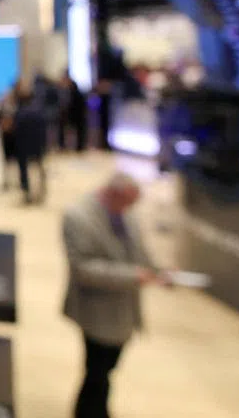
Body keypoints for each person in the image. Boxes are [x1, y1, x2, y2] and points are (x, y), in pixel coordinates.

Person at [62, 173, 167, 418]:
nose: (130, 208)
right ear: (113, 193)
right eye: (127, 202)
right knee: (97, 370)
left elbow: (138, 252)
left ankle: (98, 410)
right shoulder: (78, 216)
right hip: (96, 310)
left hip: (123, 311)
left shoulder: (126, 214)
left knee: (106, 369)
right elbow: (81, 268)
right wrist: (133, 276)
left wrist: (158, 272)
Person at [13, 84, 47, 204]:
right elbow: (44, 130)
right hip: (38, 145)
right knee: (40, 166)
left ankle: (26, 191)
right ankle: (42, 189)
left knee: (24, 170)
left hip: (23, 146)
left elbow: (16, 131)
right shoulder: (39, 111)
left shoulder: (20, 113)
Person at [61, 74, 88, 152]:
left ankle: (78, 147)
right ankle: (79, 147)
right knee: (78, 132)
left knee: (77, 132)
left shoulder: (72, 94)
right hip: (78, 116)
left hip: (76, 116)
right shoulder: (76, 94)